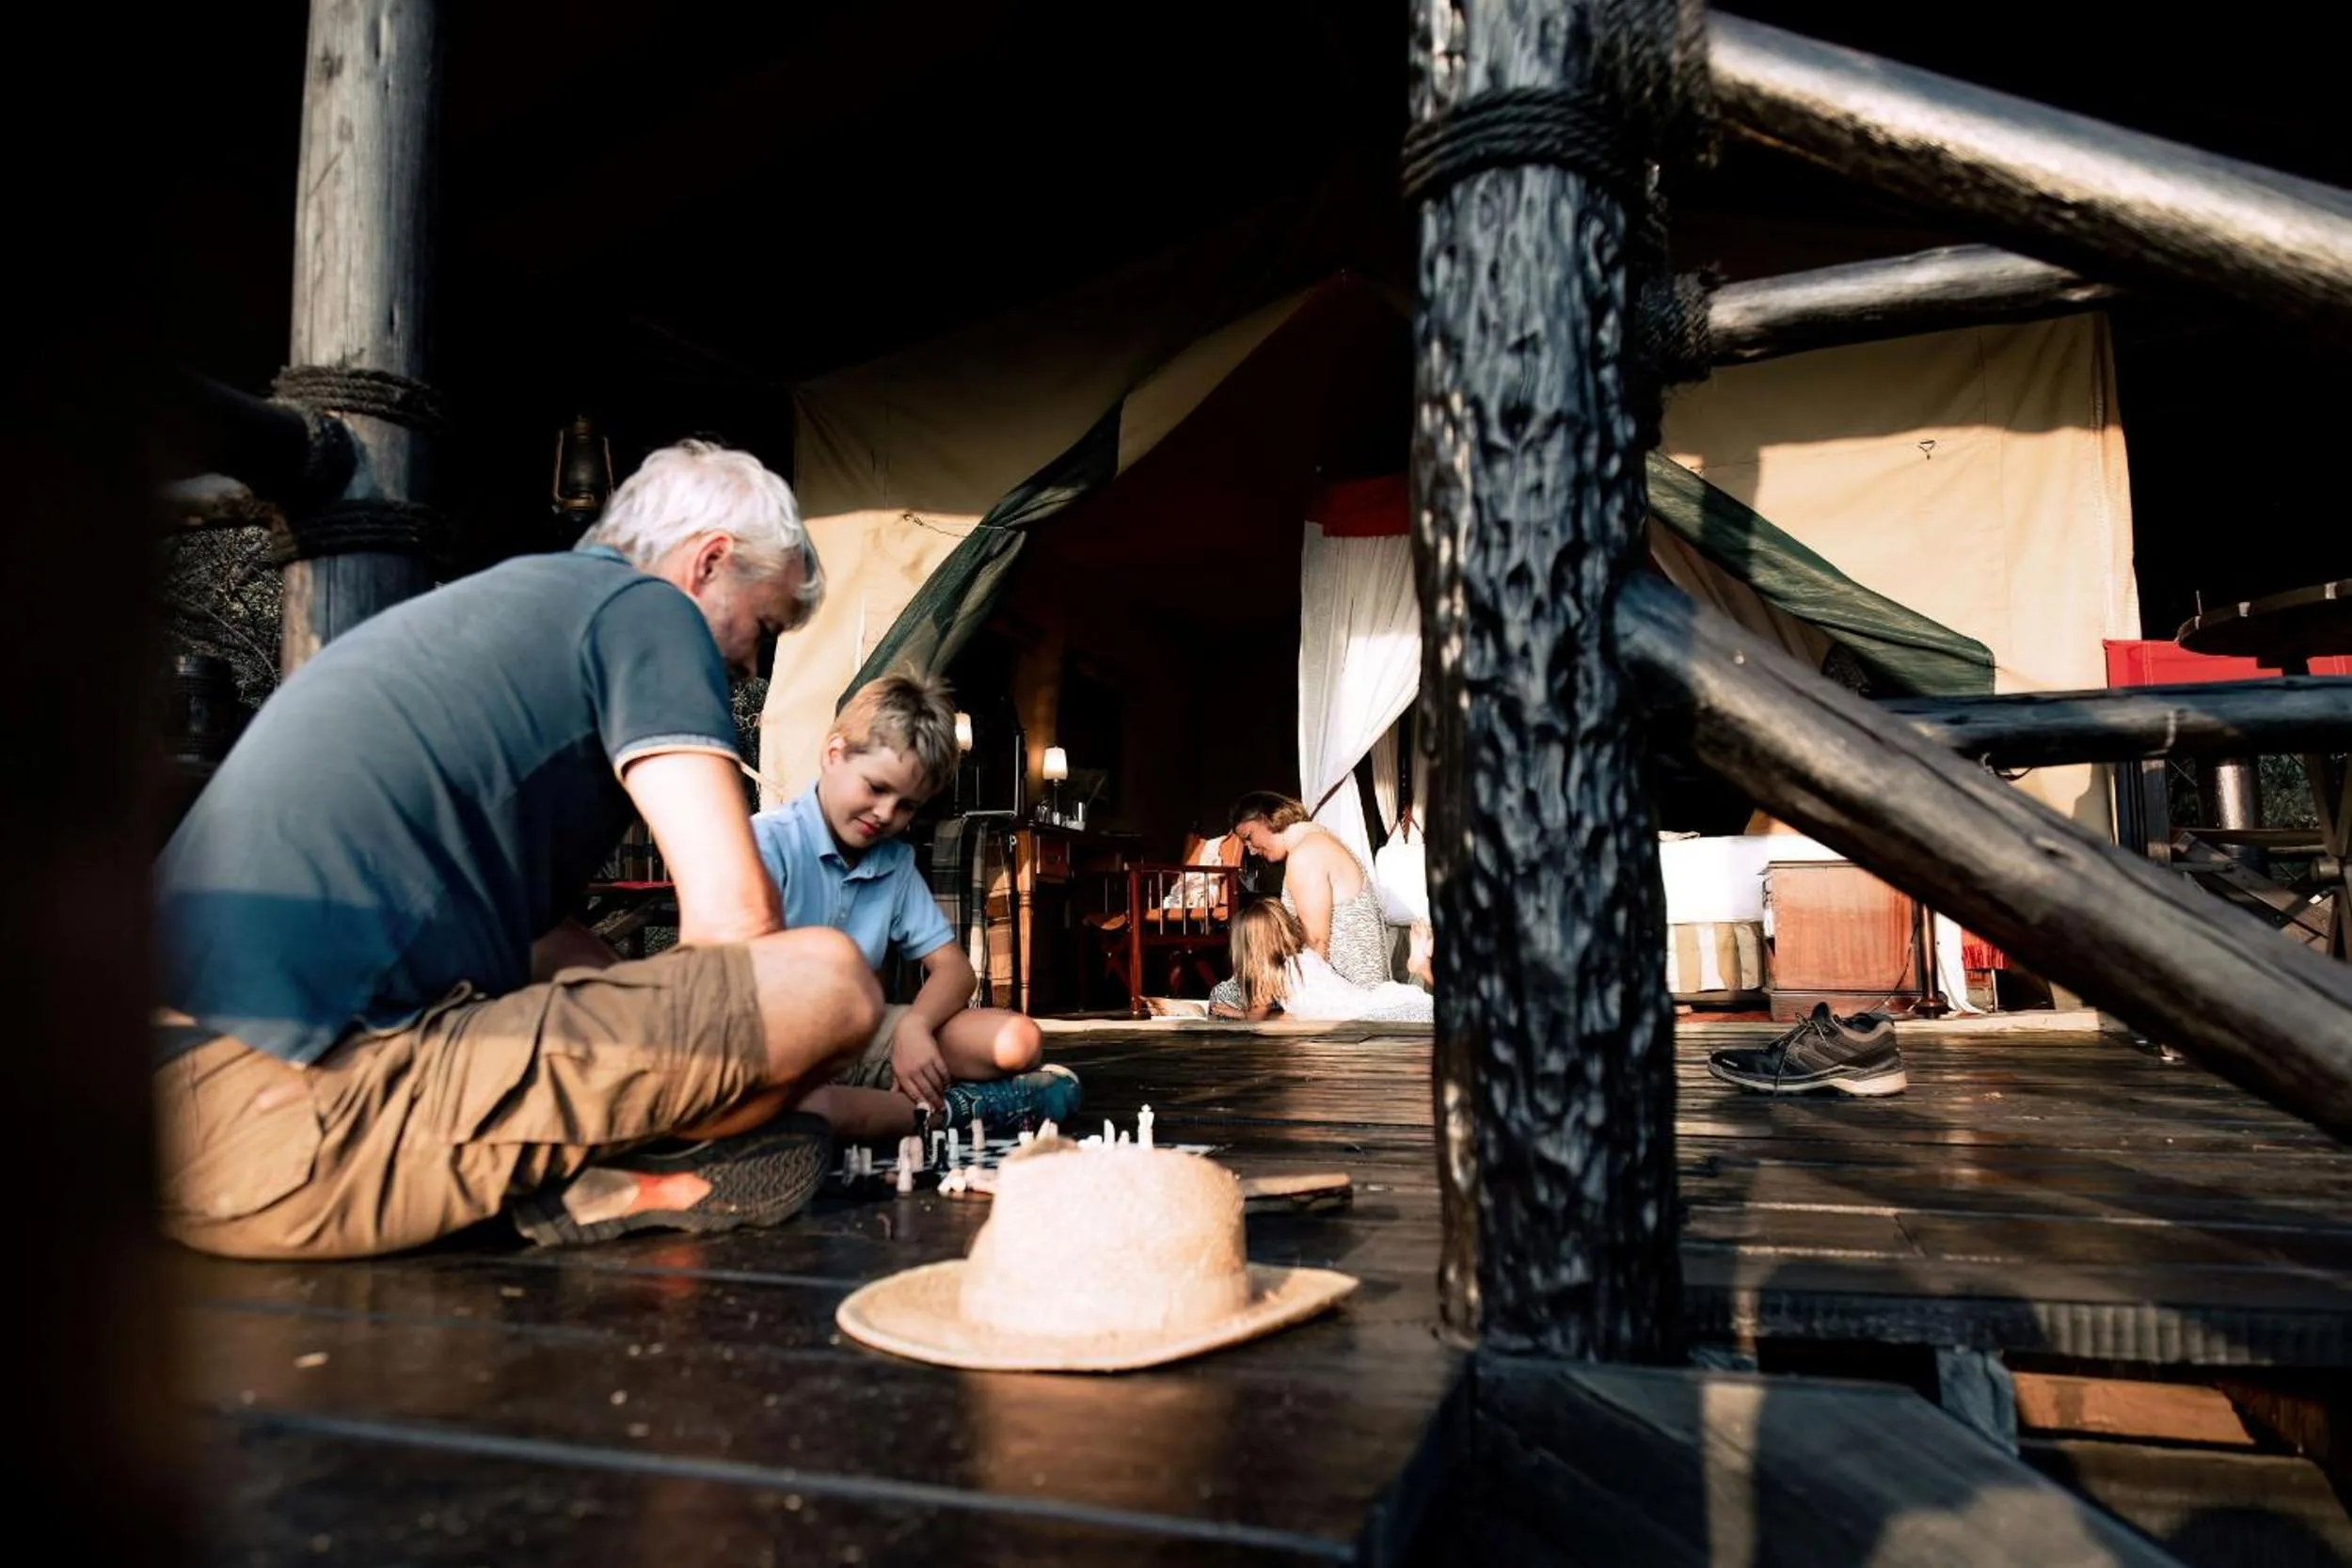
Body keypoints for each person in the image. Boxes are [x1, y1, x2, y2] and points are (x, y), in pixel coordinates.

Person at [154, 440, 883, 1259]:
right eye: (763, 625)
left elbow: (557, 952)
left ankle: (580, 1177)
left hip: (161, 1118)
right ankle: (649, 1158)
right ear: (709, 562)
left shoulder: (499, 616)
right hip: (285, 1126)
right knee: (828, 981)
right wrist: (790, 1079)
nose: (751, 667)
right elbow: (740, 926)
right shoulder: (648, 607)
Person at [749, 673, 1080, 1141]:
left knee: (1018, 1040)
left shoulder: (895, 862)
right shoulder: (766, 842)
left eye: (906, 805)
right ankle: (961, 1111)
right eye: (875, 787)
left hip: (858, 1039)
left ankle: (899, 1107)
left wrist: (914, 1027)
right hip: (775, 1046)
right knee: (811, 1111)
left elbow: (955, 971)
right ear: (834, 754)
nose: (885, 814)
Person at [1206, 791, 1392, 1014]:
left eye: (1248, 837)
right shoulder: (1318, 838)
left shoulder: (1306, 854)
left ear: (1266, 818)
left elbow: (1316, 945)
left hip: (1349, 995)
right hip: (1356, 988)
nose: (1250, 850)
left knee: (1224, 996)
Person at [1217, 902, 1432, 1023]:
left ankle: (1421, 966)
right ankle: (1421, 966)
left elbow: (1256, 1019)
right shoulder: (1305, 959)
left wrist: (1239, 1014)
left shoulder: (1269, 975)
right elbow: (1291, 1016)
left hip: (1367, 1019)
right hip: (1381, 1001)